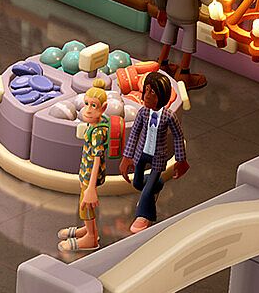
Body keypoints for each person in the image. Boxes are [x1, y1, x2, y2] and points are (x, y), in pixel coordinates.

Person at [119, 71, 187, 232]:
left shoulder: (169, 116)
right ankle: (157, 185)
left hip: (158, 157)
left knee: (146, 192)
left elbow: (178, 136)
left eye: (153, 92)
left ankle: (144, 216)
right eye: (147, 90)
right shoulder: (142, 113)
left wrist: (181, 160)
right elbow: (134, 133)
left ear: (162, 96)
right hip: (141, 153)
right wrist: (127, 157)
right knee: (138, 183)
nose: (147, 96)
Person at [61, 86, 111, 253]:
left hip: (90, 174)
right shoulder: (97, 123)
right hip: (86, 171)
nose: (88, 110)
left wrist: (91, 188)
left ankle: (91, 238)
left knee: (85, 205)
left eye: (94, 105)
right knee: (85, 204)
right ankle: (89, 229)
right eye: (87, 104)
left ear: (103, 108)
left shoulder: (97, 132)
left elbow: (97, 158)